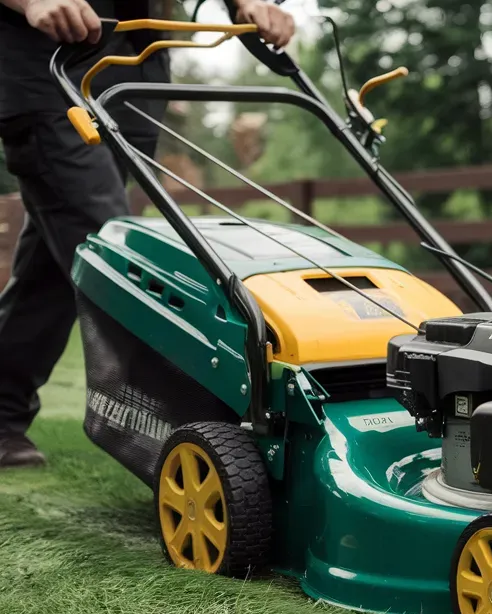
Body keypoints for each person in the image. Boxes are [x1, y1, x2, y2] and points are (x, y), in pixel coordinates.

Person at [0, 0, 294, 468]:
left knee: (59, 262)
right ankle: (201, 431)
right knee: (108, 247)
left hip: (136, 54)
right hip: (46, 52)